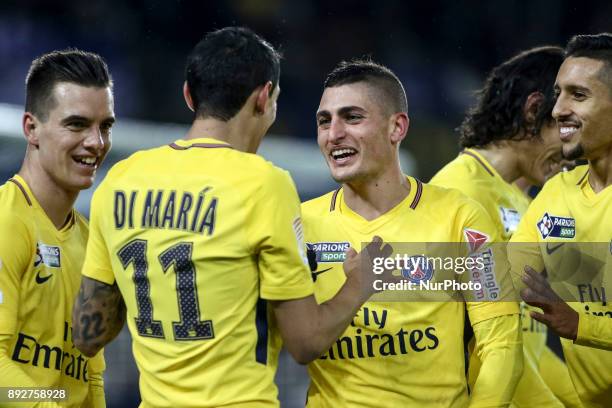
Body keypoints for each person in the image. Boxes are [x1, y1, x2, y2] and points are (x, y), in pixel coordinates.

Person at [71, 27, 388, 408]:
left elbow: (87, 334)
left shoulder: (120, 180)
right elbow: (305, 342)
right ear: (265, 97)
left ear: (189, 96)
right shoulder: (263, 184)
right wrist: (360, 282)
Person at [295, 59, 522, 407]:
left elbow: (501, 343)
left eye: (352, 117)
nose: (333, 133)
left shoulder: (460, 218)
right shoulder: (300, 225)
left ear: (397, 127)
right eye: (324, 121)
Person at [430, 46, 580, 407]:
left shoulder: (520, 200)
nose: (573, 148)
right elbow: (482, 344)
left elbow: (527, 342)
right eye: (564, 126)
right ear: (533, 111)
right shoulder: (460, 193)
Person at [0, 49, 113, 407]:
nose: (96, 143)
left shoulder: (91, 241)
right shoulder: (7, 222)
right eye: (77, 124)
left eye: (105, 126)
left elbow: (91, 375)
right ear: (31, 128)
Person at [511, 33, 612, 407]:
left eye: (579, 95)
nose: (557, 110)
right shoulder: (558, 193)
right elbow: (507, 277)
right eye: (559, 93)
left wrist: (583, 325)